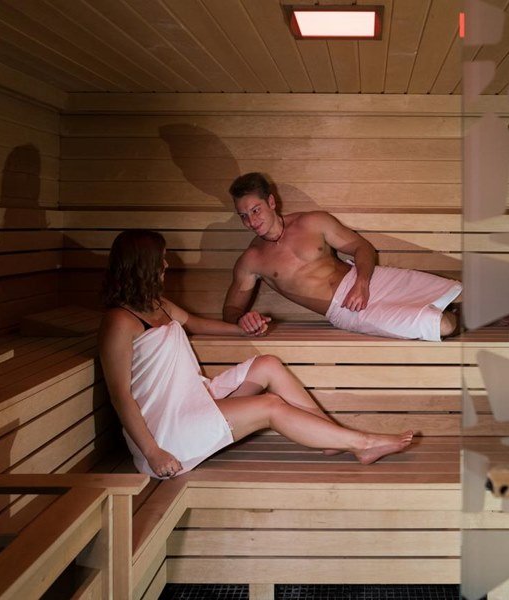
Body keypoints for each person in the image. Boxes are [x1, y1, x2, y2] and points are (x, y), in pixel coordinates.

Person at [97, 229, 414, 479]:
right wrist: (153, 452)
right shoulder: (119, 322)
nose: (165, 266)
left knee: (268, 364)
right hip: (168, 432)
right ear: (142, 265)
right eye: (161, 260)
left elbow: (194, 322)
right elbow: (120, 395)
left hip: (193, 400)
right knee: (270, 406)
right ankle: (362, 443)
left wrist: (244, 330)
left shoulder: (159, 305)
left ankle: (332, 437)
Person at [223, 172, 464, 342]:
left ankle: (466, 310)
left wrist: (361, 283)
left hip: (367, 279)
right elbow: (231, 310)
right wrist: (242, 320)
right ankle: (458, 317)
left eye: (256, 210)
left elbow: (362, 247)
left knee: (460, 291)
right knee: (441, 325)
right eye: (243, 216)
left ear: (271, 202)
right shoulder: (251, 260)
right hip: (347, 310)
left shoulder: (312, 222)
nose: (251, 221)